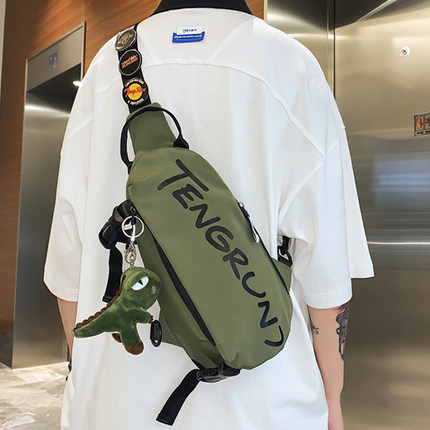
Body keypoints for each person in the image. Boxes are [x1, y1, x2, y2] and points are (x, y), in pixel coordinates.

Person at [44, 0, 374, 429]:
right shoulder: (291, 66)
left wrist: (86, 377)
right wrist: (332, 400)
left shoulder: (104, 70)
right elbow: (326, 279)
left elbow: (68, 269)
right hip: (266, 408)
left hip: (112, 408)